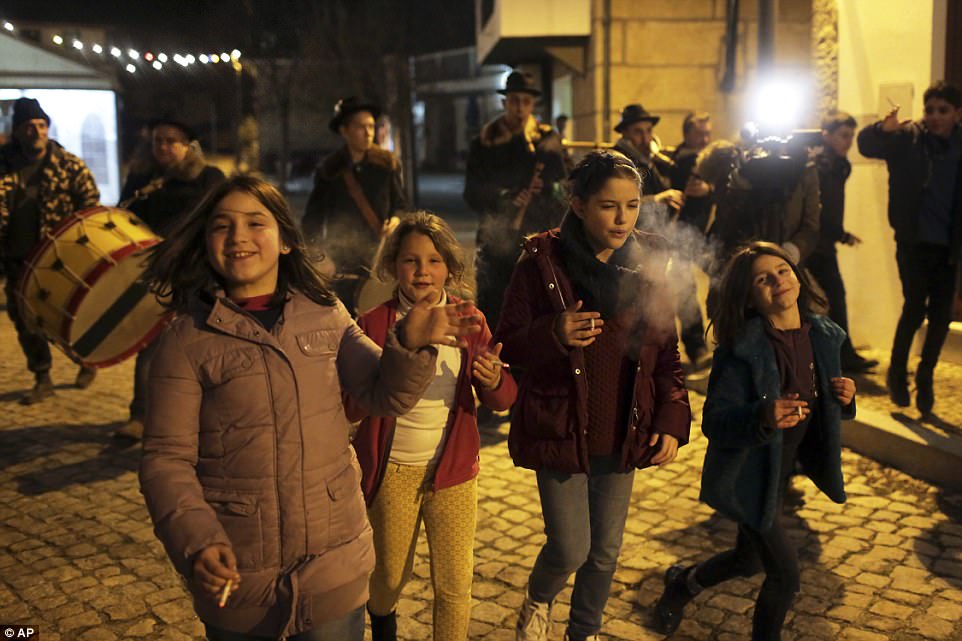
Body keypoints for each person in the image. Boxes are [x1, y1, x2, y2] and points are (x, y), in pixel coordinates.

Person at [138, 176, 481, 641]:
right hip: (240, 568)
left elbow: (382, 394)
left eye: (255, 223)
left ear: (284, 240)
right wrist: (197, 540)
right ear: (206, 241)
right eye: (223, 226)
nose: (239, 236)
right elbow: (165, 460)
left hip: (332, 561)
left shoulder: (327, 312)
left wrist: (409, 344)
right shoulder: (185, 340)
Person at [495, 150, 691, 641]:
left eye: (632, 205)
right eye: (609, 206)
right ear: (579, 205)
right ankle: (539, 598)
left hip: (623, 426)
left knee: (605, 551)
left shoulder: (648, 263)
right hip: (560, 424)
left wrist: (670, 420)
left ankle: (582, 633)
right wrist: (553, 331)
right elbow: (509, 342)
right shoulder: (541, 262)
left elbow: (665, 352)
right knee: (570, 547)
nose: (622, 219)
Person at [652, 241, 855, 641]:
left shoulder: (823, 335)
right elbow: (715, 421)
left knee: (748, 561)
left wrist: (845, 399)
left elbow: (828, 401)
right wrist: (762, 416)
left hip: (782, 472)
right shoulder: (741, 352)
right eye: (763, 279)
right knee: (784, 574)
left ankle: (682, 583)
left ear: (797, 275)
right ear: (749, 297)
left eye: (782, 270)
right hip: (748, 474)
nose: (777, 281)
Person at [348, 212, 518, 641]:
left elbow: (503, 400)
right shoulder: (372, 323)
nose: (423, 271)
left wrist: (494, 379)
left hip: (453, 472)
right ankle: (383, 622)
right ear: (393, 266)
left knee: (455, 586)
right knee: (386, 578)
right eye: (411, 261)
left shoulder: (469, 320)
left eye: (434, 260)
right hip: (392, 474)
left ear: (450, 267)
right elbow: (352, 403)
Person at [115, 116, 226, 439]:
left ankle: (208, 417)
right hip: (155, 276)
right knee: (149, 346)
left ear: (187, 145)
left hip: (198, 275)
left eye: (170, 141)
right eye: (157, 141)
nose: (162, 147)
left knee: (204, 349)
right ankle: (141, 415)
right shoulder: (141, 179)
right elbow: (125, 221)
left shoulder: (208, 178)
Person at [857, 81, 962, 414]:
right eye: (930, 109)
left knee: (941, 316)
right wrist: (880, 129)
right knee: (915, 308)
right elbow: (866, 145)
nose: (934, 116)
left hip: (949, 245)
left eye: (942, 110)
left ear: (957, 113)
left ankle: (926, 376)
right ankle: (897, 373)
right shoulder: (907, 139)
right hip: (913, 241)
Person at [0, 97, 100, 404]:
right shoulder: (3, 164)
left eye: (41, 125)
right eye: (29, 126)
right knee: (25, 321)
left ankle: (85, 360)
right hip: (16, 257)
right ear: (17, 131)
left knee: (66, 315)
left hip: (57, 259)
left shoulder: (67, 165)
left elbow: (90, 204)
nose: (36, 131)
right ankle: (42, 376)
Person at [463, 70, 567, 331]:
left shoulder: (547, 141)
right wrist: (504, 196)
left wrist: (548, 188)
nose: (520, 108)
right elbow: (471, 192)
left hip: (537, 242)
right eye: (514, 101)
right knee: (493, 309)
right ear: (504, 103)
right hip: (495, 243)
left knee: (535, 310)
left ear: (533, 105)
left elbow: (566, 189)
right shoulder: (485, 142)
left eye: (526, 101)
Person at [302, 97, 407, 313]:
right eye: (361, 126)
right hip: (340, 261)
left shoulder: (387, 165)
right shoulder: (329, 170)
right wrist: (321, 256)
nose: (368, 132)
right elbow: (312, 218)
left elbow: (400, 204)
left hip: (379, 257)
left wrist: (395, 220)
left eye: (371, 126)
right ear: (345, 130)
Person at [808, 111, 877, 374]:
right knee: (829, 299)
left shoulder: (838, 165)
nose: (848, 141)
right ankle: (835, 356)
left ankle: (840, 355)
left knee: (833, 299)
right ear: (827, 135)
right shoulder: (822, 166)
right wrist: (841, 234)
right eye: (843, 135)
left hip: (824, 244)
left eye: (851, 136)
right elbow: (821, 210)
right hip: (814, 245)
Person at [664, 111, 715, 369]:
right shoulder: (686, 160)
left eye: (708, 133)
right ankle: (696, 348)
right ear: (687, 134)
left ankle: (700, 346)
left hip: (699, 236)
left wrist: (710, 189)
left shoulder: (696, 158)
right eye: (700, 133)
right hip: (681, 235)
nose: (705, 138)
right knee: (685, 291)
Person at [611, 104, 685, 225]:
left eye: (649, 131)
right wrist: (656, 200)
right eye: (638, 132)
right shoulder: (617, 162)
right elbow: (618, 204)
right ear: (624, 133)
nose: (646, 139)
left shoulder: (651, 160)